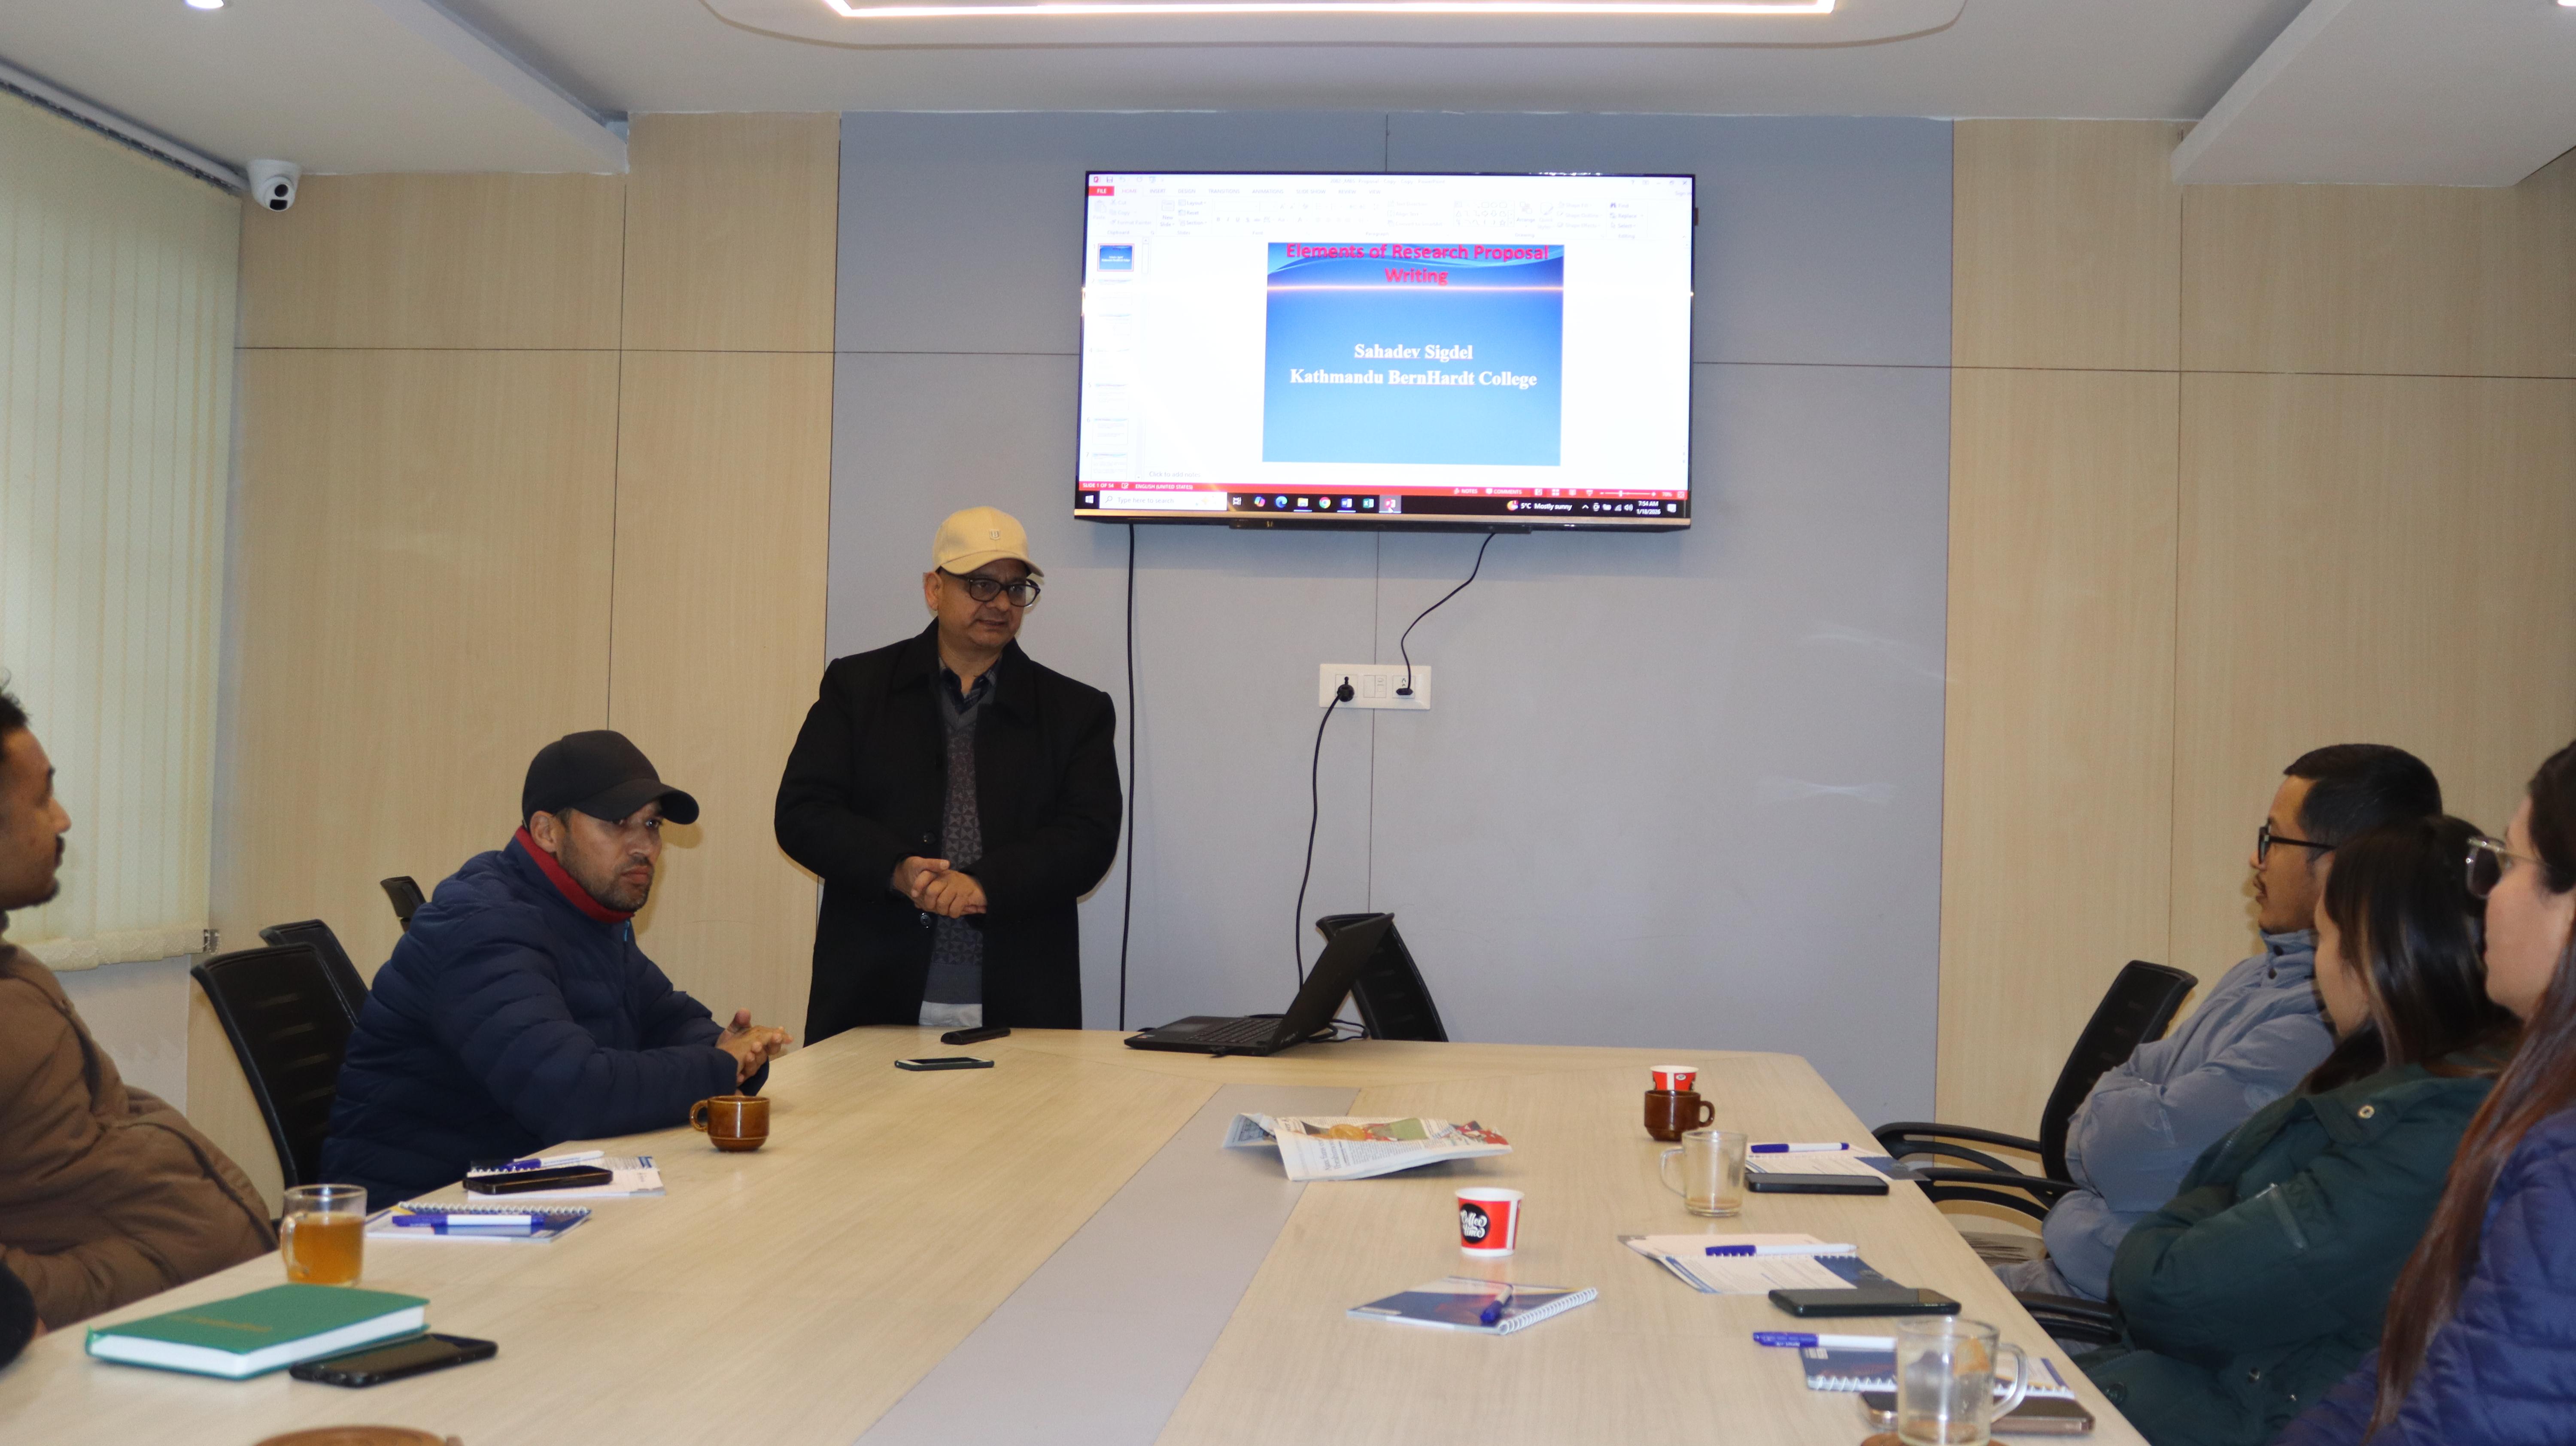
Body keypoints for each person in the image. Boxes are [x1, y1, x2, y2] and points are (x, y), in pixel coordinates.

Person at [2076, 814, 2517, 1446]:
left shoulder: (2427, 1128)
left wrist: (2187, 1220)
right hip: (2192, 1388)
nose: (2317, 969)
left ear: (2376, 959)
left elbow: (2169, 1289)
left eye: (2325, 939)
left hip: (2238, 1415)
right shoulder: (2370, 1084)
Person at [1999, 744, 2443, 1301]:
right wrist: (2122, 1117)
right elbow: (2113, 1111)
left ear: (2341, 864)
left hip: (2106, 1316)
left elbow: (2126, 1160)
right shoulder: (2255, 975)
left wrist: (2117, 1120)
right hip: (2067, 1281)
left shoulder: (2320, 1027)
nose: (2256, 859)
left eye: (2273, 838)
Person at [322, 731, 792, 1205]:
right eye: (618, 823)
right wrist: (718, 1065)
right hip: (416, 1210)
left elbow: (663, 1017)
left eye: (652, 824)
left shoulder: (588, 910)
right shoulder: (486, 924)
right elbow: (571, 1093)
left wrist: (729, 1050)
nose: (645, 847)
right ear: (548, 831)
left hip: (513, 1184)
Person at [2279, 741, 2576, 1445]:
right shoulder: (2540, 1102)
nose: (2485, 893)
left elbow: (2473, 1424)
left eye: (2506, 861)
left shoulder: (2565, 1159)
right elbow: (2405, 1368)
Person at [776, 506, 1121, 1041]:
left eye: (1016, 588)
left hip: (1022, 1005)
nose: (1001, 603)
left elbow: (1088, 838)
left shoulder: (1076, 710)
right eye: (981, 584)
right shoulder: (858, 687)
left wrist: (985, 882)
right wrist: (897, 869)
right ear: (934, 589)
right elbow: (803, 813)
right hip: (871, 999)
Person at [0, 687, 273, 1328]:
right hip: (108, 1347)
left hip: (210, 1313)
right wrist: (128, 1281)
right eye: (41, 799)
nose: (63, 819)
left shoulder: (17, 974)